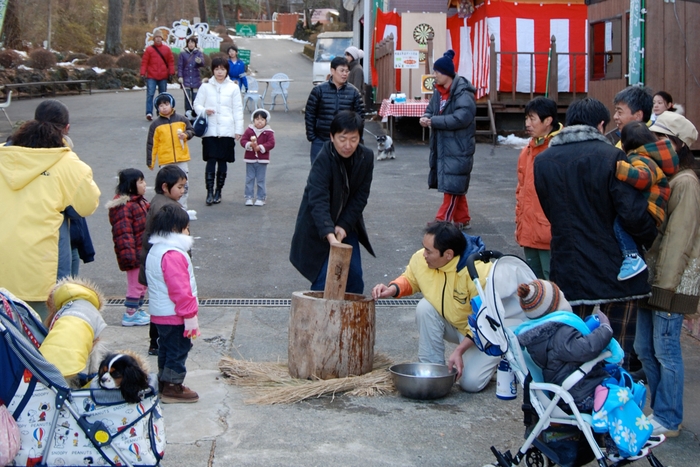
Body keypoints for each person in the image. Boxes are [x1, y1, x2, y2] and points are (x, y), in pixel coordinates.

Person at [533, 98, 658, 369]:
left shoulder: (543, 161)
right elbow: (632, 212)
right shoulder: (611, 156)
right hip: (617, 266)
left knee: (571, 344)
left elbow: (549, 210)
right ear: (600, 125)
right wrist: (650, 236)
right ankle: (613, 404)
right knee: (617, 351)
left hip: (568, 264)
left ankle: (573, 404)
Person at [371, 222, 504, 393]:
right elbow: (411, 278)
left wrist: (459, 350)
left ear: (448, 254)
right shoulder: (421, 259)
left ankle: (502, 361)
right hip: (457, 325)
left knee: (469, 384)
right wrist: (392, 289)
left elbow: (486, 321)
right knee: (425, 307)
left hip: (485, 334)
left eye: (429, 251)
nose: (423, 254)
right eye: (423, 248)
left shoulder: (478, 272)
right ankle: (432, 367)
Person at [0, 100, 100, 321]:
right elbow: (87, 204)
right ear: (66, 129)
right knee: (41, 341)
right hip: (40, 276)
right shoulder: (66, 162)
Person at [635, 111, 700, 437]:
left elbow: (679, 241)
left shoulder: (686, 182)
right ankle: (661, 410)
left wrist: (667, 287)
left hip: (670, 282)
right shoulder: (666, 177)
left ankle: (669, 417)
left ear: (676, 144)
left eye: (659, 139)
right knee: (645, 347)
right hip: (654, 278)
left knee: (665, 349)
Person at [290, 110, 374, 294]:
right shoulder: (323, 158)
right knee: (323, 279)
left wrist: (343, 226)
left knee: (354, 278)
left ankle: (349, 321)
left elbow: (360, 197)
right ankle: (319, 322)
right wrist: (330, 235)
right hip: (319, 224)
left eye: (353, 139)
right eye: (342, 138)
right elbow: (317, 199)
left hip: (347, 223)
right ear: (332, 137)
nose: (348, 145)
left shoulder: (366, 157)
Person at [514, 280, 614, 411]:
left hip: (569, 390)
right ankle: (631, 429)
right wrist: (605, 329)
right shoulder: (559, 334)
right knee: (621, 394)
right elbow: (586, 349)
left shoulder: (541, 334)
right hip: (578, 394)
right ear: (556, 306)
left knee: (616, 378)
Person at [146, 204, 200, 403]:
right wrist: (190, 314)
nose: (188, 231)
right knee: (178, 349)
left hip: (162, 313)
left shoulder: (157, 250)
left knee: (166, 348)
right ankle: (173, 386)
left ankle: (164, 381)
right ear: (176, 229)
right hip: (175, 314)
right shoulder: (173, 254)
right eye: (186, 227)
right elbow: (180, 288)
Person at [420, 50, 477, 230]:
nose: (434, 75)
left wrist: (434, 121)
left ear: (446, 73)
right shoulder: (438, 91)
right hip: (445, 144)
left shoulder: (463, 92)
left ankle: (442, 221)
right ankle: (462, 218)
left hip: (459, 145)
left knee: (452, 186)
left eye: (437, 72)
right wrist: (426, 116)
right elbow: (431, 108)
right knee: (454, 181)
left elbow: (462, 118)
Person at [614, 122, 678, 280]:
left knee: (619, 224)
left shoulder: (641, 158)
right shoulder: (649, 157)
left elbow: (644, 178)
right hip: (651, 211)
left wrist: (619, 168)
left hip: (647, 209)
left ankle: (632, 257)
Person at [138, 165, 189, 356]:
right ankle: (158, 341)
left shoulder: (161, 202)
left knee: (159, 303)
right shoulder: (166, 208)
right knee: (164, 306)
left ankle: (157, 341)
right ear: (166, 187)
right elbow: (172, 243)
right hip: (164, 268)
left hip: (155, 265)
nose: (182, 191)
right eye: (180, 187)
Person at [515, 97, 561, 279]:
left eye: (532, 119)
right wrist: (519, 221)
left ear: (548, 121)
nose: (528, 124)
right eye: (526, 118)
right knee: (534, 282)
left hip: (549, 232)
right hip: (528, 228)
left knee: (553, 283)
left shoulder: (557, 149)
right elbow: (521, 189)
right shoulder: (527, 150)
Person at [193, 56, 244, 206]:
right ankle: (209, 192)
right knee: (211, 160)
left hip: (227, 129)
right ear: (213, 70)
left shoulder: (233, 87)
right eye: (216, 69)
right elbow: (196, 105)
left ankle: (218, 191)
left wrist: (238, 130)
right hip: (210, 130)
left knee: (222, 161)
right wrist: (204, 110)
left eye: (222, 69)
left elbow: (238, 110)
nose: (219, 72)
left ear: (227, 70)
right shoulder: (206, 86)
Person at [39, 277, 108, 388]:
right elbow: (96, 348)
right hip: (69, 365)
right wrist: (93, 374)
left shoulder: (64, 309)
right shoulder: (92, 312)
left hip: (44, 362)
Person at [107, 168, 151, 327]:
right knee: (136, 285)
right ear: (131, 185)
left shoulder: (139, 201)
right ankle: (130, 314)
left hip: (142, 251)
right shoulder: (124, 206)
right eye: (141, 182)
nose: (145, 185)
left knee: (142, 284)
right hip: (134, 255)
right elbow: (123, 233)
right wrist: (131, 257)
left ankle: (137, 310)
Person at [305, 56, 364, 163]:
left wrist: (357, 139)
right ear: (332, 70)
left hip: (344, 142)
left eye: (347, 71)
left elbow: (360, 117)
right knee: (319, 174)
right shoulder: (319, 90)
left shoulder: (354, 92)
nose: (345, 74)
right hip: (321, 139)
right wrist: (312, 136)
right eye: (342, 70)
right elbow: (310, 114)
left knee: (342, 175)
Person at [146, 92, 194, 210]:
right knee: (167, 186)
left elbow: (191, 130)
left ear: (171, 104)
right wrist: (150, 162)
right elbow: (151, 144)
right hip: (165, 160)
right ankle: (168, 208)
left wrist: (186, 135)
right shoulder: (155, 125)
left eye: (166, 104)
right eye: (160, 106)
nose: (164, 107)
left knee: (183, 185)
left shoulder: (182, 119)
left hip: (181, 159)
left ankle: (182, 208)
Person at [240, 109, 275, 206]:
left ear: (266, 121)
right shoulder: (249, 130)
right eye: (257, 119)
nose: (259, 121)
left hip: (262, 160)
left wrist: (261, 147)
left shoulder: (268, 132)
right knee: (249, 178)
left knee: (260, 179)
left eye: (262, 119)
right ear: (253, 120)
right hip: (250, 158)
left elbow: (271, 143)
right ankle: (249, 197)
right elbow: (243, 141)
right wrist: (249, 144)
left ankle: (261, 197)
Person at [140, 30, 175, 121]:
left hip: (163, 76)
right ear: (154, 38)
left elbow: (170, 62)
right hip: (151, 76)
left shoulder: (166, 49)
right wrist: (142, 73)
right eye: (156, 37)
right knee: (150, 94)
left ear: (162, 38)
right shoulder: (149, 50)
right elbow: (144, 63)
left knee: (163, 96)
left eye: (160, 37)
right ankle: (149, 112)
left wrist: (171, 73)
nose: (158, 39)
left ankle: (162, 112)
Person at [177, 35, 205, 118]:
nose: (191, 44)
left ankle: (195, 112)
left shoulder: (199, 53)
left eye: (192, 42)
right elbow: (180, 66)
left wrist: (199, 61)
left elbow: (203, 63)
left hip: (195, 78)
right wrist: (180, 76)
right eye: (189, 42)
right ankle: (188, 112)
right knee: (187, 96)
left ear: (195, 44)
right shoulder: (182, 53)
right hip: (186, 78)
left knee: (195, 97)